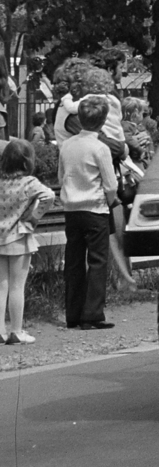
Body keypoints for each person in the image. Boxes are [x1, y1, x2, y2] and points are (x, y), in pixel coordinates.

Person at [58, 94, 120, 331]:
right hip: (95, 209)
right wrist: (112, 202)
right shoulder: (101, 148)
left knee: (73, 261)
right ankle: (92, 314)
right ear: (104, 120)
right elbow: (110, 185)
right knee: (97, 260)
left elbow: (61, 176)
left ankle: (72, 313)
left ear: (79, 118)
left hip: (71, 209)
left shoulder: (67, 146)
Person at [0, 139, 55, 344]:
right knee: (17, 286)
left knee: (1, 286)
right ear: (26, 162)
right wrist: (35, 216)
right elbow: (48, 195)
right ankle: (17, 330)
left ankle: (0, 329)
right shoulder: (29, 182)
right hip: (19, 236)